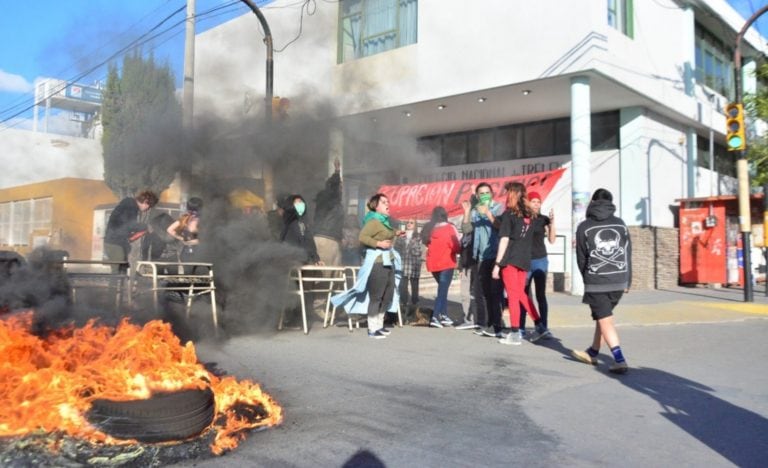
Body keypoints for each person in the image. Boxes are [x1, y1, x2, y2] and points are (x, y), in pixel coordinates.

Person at [571, 188, 632, 374]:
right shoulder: (621, 225)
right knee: (603, 316)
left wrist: (586, 278)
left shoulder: (584, 227)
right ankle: (593, 351)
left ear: (593, 202)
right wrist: (628, 280)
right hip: (620, 280)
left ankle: (619, 359)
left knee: (605, 320)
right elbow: (628, 253)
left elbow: (581, 258)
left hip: (597, 281)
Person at [331, 193, 401, 339]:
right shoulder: (373, 221)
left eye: (388, 201)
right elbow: (363, 237)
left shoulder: (384, 222)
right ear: (376, 206)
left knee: (387, 295)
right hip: (377, 263)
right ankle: (372, 328)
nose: (388, 204)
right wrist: (379, 244)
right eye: (383, 202)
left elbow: (386, 233)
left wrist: (397, 233)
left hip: (389, 261)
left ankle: (379, 325)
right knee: (377, 296)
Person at [492, 182, 549, 346]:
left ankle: (515, 332)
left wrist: (497, 264)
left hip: (510, 260)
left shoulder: (509, 215)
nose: (506, 196)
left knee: (513, 296)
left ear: (512, 195)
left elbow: (504, 240)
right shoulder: (529, 216)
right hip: (524, 260)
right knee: (521, 294)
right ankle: (539, 325)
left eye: (508, 192)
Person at [461, 182, 504, 337]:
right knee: (482, 292)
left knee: (495, 292)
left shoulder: (499, 208)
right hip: (479, 256)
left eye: (487, 192)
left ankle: (497, 324)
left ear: (492, 194)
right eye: (481, 193)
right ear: (477, 196)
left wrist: (488, 213)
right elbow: (466, 230)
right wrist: (467, 212)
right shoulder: (474, 211)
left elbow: (501, 226)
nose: (484, 195)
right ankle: (485, 323)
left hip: (495, 255)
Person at [519, 191, 556, 337]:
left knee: (541, 295)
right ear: (527, 202)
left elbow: (552, 240)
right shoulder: (522, 218)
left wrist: (552, 223)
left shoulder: (544, 219)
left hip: (540, 260)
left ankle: (543, 327)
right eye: (533, 201)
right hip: (525, 261)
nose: (536, 204)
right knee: (524, 295)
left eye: (538, 202)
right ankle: (520, 327)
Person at [422, 207, 460, 328]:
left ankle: (444, 315)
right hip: (446, 262)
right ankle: (435, 316)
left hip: (433, 264)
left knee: (442, 290)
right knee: (442, 291)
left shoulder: (429, 229)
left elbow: (426, 243)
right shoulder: (450, 228)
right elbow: (456, 246)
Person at [104, 190, 158, 273]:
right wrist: (146, 226)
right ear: (145, 201)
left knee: (122, 271)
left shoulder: (129, 205)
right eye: (149, 206)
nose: (148, 209)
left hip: (116, 243)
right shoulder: (130, 205)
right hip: (115, 244)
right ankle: (115, 286)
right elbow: (130, 225)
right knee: (117, 273)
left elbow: (126, 227)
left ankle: (120, 286)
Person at [313, 158, 345, 267]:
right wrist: (337, 171)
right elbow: (335, 186)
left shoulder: (326, 200)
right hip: (326, 239)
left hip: (330, 238)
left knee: (333, 275)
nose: (341, 188)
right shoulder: (330, 199)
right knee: (324, 275)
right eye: (340, 186)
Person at [280, 194, 321, 265]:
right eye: (297, 202)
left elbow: (310, 242)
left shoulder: (304, 223)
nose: (301, 204)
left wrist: (316, 259)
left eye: (302, 202)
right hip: (294, 262)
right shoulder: (289, 224)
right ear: (291, 205)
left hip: (305, 261)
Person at [394, 218, 423, 309]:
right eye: (408, 222)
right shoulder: (402, 235)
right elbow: (396, 248)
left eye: (412, 223)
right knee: (403, 285)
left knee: (414, 286)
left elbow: (419, 251)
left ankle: (415, 304)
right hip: (403, 264)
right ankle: (403, 303)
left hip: (414, 264)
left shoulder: (418, 236)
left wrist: (407, 247)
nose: (409, 224)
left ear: (415, 225)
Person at [167, 197, 204, 263]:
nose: (193, 213)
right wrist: (182, 238)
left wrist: (185, 240)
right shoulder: (185, 219)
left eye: (194, 211)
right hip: (190, 254)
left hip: (193, 253)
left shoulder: (202, 220)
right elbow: (169, 229)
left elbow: (170, 229)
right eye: (191, 211)